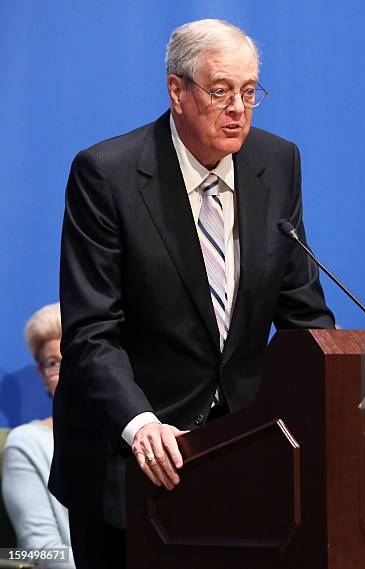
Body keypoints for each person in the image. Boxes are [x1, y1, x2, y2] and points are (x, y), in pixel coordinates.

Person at [49, 18, 334, 569]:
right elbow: (91, 333)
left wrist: (337, 386)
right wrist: (141, 424)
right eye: (221, 90)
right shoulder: (106, 174)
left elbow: (302, 314)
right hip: (131, 461)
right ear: (177, 91)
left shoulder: (277, 163)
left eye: (250, 92)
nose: (238, 108)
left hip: (245, 458)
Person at [1, 303, 76, 568]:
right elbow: (42, 552)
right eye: (53, 363)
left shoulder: (133, 434)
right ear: (42, 374)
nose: (66, 374)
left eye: (74, 357)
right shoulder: (26, 444)